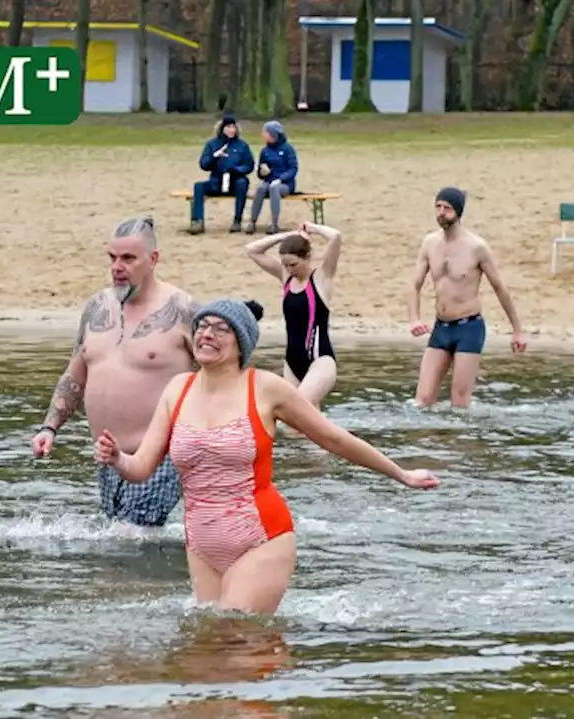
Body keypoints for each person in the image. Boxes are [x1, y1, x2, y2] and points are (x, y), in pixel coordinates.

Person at [93, 298, 439, 613]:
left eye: (221, 328)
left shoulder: (265, 387)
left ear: (241, 341)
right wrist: (118, 458)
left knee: (234, 632)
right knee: (208, 650)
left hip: (261, 536)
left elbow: (333, 438)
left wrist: (401, 474)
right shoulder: (177, 389)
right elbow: (142, 468)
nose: (207, 334)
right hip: (200, 543)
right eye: (201, 326)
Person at [31, 217, 198, 527]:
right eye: (112, 257)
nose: (117, 266)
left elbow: (221, 380)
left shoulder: (183, 310)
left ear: (153, 259)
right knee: (121, 545)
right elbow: (75, 375)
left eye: (128, 258)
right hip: (108, 458)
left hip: (162, 459)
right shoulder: (96, 307)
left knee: (132, 542)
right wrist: (49, 428)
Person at [407, 186, 526, 408]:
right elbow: (414, 285)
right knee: (422, 401)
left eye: (447, 208)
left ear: (458, 212)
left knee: (459, 404)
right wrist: (414, 318)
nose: (441, 212)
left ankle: (460, 442)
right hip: (441, 328)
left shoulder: (476, 247)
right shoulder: (430, 243)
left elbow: (500, 288)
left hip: (469, 328)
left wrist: (517, 330)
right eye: (438, 207)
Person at [244, 222, 343, 404]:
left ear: (307, 257)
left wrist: (313, 228)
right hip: (291, 362)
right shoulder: (287, 278)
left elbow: (335, 236)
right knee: (302, 426)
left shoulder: (322, 278)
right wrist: (288, 235)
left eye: (294, 264)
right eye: (285, 265)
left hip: (320, 360)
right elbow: (252, 250)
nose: (290, 269)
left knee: (297, 410)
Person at [189, 112, 255, 235]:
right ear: (222, 128)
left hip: (235, 182)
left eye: (233, 127)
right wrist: (215, 156)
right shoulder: (212, 144)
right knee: (198, 186)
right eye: (228, 127)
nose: (231, 130)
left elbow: (249, 165)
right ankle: (197, 221)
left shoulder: (242, 145)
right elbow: (204, 165)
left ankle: (237, 220)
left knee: (243, 183)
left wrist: (236, 170)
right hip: (217, 181)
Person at [246, 121, 299, 235]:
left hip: (285, 184)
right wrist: (263, 172)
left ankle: (274, 224)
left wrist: (280, 179)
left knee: (274, 188)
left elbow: (293, 169)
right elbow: (260, 173)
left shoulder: (287, 149)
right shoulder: (265, 151)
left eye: (265, 132)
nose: (262, 135)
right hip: (269, 181)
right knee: (260, 188)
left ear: (273, 134)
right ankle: (252, 222)